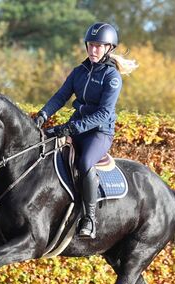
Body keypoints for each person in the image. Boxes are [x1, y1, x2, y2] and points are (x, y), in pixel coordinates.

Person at [34, 22, 137, 239]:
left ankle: (89, 218)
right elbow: (60, 97)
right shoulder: (78, 72)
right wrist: (43, 115)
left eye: (99, 46)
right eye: (91, 45)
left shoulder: (112, 77)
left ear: (109, 48)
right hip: (76, 127)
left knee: (85, 162)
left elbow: (104, 114)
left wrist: (71, 127)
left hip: (99, 133)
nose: (93, 50)